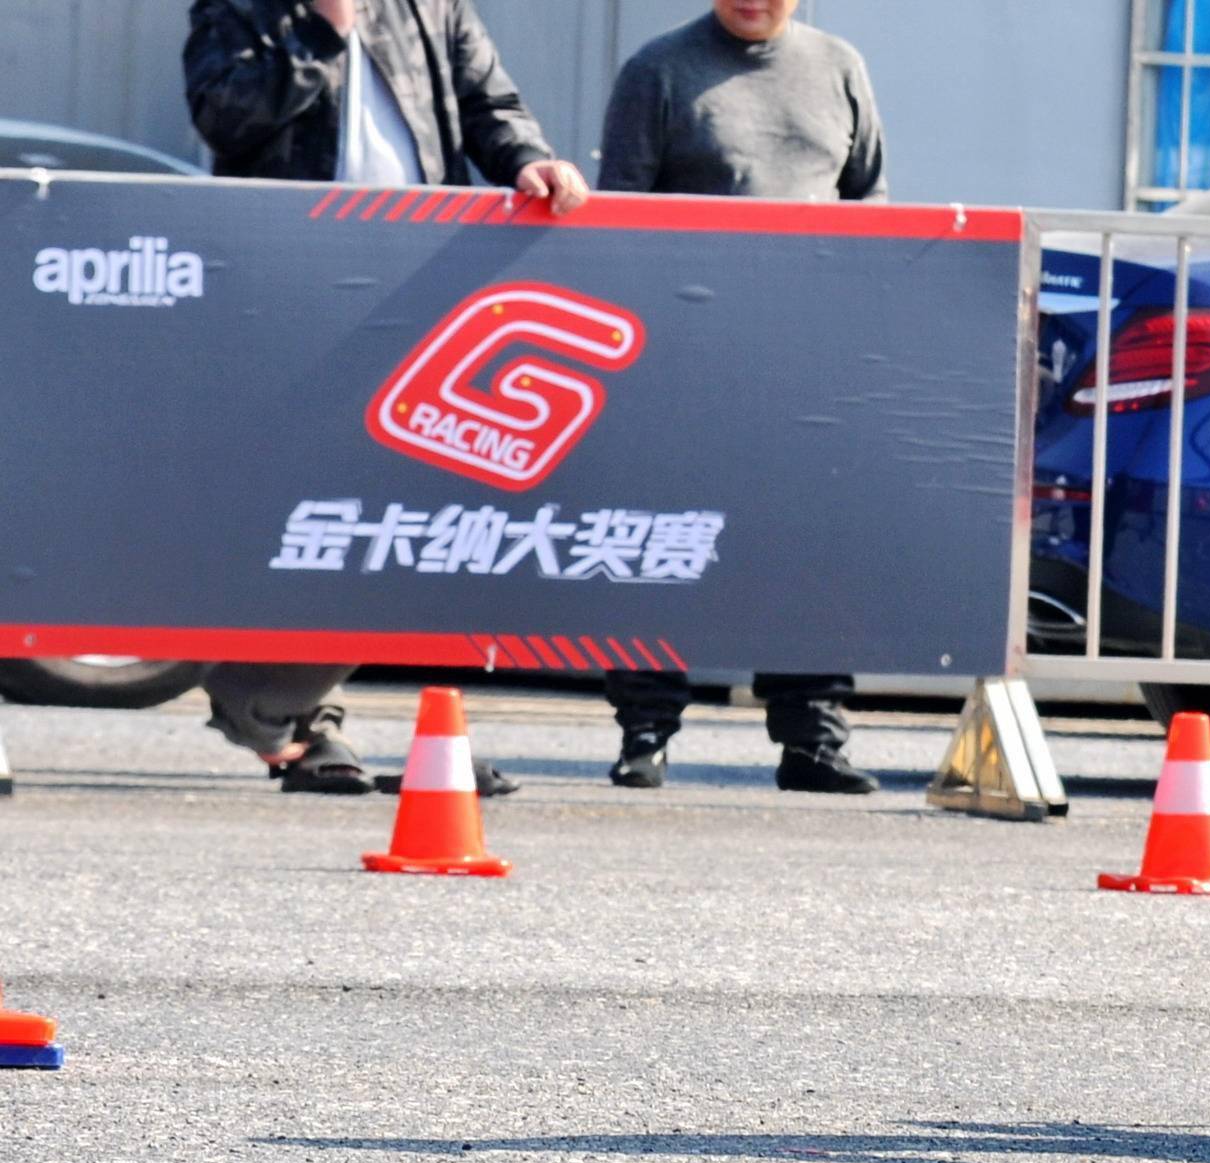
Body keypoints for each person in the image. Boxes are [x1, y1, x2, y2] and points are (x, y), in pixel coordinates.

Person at [184, 0, 587, 795]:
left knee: (407, 503)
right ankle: (288, 712)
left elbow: (490, 106)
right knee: (305, 507)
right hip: (290, 281)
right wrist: (321, 33)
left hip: (418, 280)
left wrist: (529, 161)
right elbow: (224, 118)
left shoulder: (432, 6)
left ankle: (361, 719)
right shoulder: (242, 7)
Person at [592, 0, 886, 794]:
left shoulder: (840, 67)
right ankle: (646, 730)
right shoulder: (657, 70)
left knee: (807, 543)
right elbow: (616, 216)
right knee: (664, 535)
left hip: (806, 356)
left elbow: (871, 202)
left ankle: (812, 738)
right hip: (682, 354)